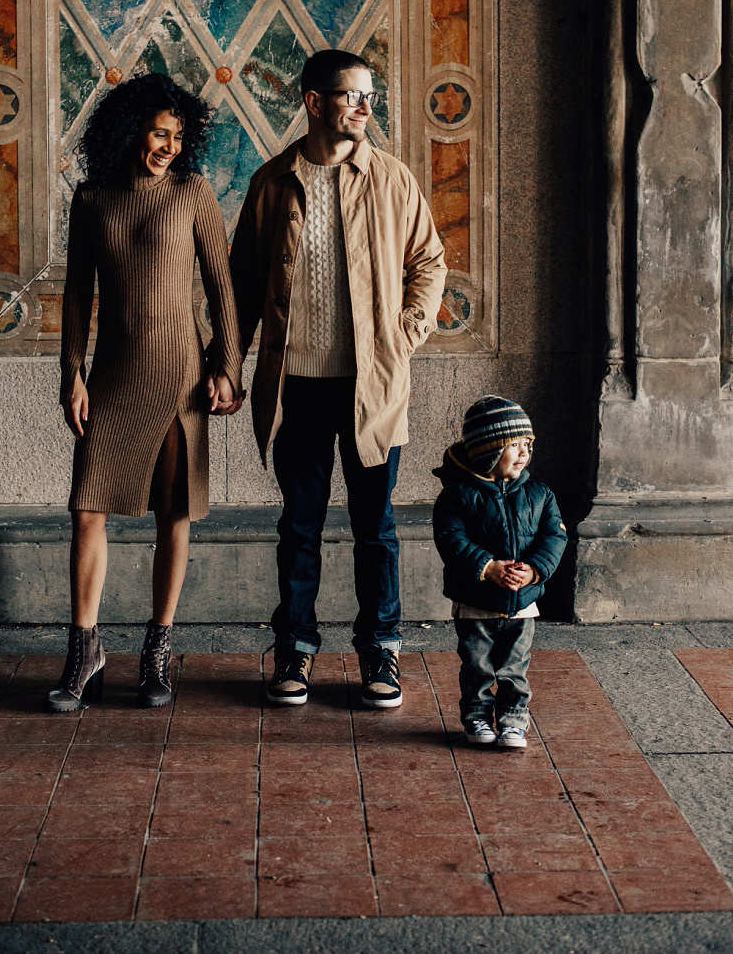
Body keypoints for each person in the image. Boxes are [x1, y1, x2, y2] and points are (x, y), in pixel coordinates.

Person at [230, 49, 447, 709]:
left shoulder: (391, 179)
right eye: (351, 95)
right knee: (299, 524)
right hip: (297, 385)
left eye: (369, 96)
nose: (364, 107)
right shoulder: (272, 183)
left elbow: (428, 262)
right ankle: (294, 651)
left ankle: (381, 652)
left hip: (370, 388)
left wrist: (403, 339)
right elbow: (240, 284)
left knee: (374, 525)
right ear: (314, 101)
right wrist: (226, 364)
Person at [47, 73, 242, 713]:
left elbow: (223, 291)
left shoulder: (191, 193)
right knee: (87, 512)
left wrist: (226, 366)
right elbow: (78, 294)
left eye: (179, 136)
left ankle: (156, 652)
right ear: (131, 129)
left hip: (181, 381)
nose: (170, 146)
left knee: (174, 515)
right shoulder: (93, 198)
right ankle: (84, 651)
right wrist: (70, 370)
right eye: (160, 133)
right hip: (113, 380)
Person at [431, 395, 567, 749]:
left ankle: (513, 722)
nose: (524, 453)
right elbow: (451, 539)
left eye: (527, 445)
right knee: (477, 667)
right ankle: (476, 717)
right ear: (488, 452)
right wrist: (487, 567)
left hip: (522, 604)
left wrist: (535, 570)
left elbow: (554, 537)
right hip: (475, 603)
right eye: (513, 445)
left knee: (514, 668)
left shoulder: (540, 494)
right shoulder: (457, 496)